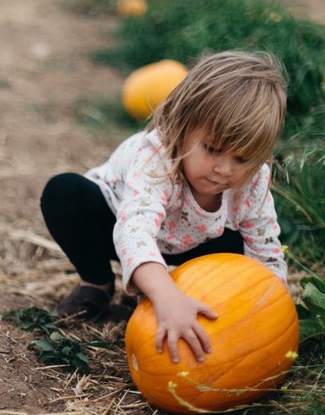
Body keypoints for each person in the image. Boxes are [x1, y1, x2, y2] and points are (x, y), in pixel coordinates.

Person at [39, 50, 288, 364]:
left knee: (240, 251)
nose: (224, 169)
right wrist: (165, 296)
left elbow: (267, 253)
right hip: (115, 225)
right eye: (212, 149)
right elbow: (134, 230)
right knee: (63, 192)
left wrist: (271, 313)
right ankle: (97, 283)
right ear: (182, 127)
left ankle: (190, 292)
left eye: (242, 158)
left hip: (191, 241)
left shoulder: (253, 180)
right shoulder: (158, 157)